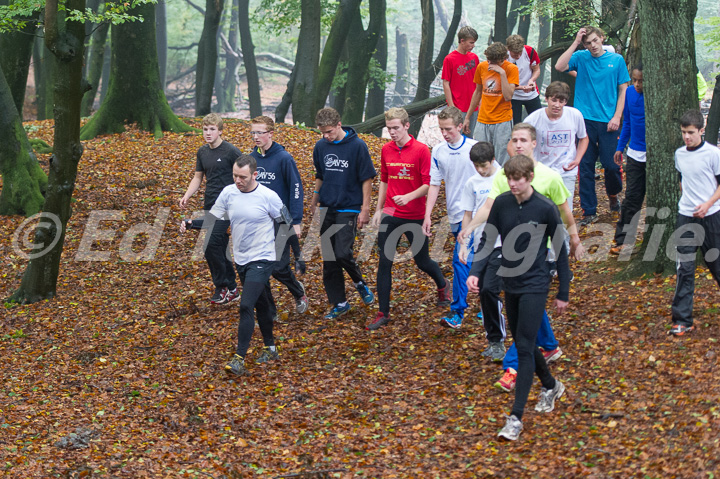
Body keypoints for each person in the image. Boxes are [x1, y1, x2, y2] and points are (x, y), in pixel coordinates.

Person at [459, 124, 584, 390]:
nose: (517, 144)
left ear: (534, 144)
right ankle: (549, 346)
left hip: (542, 254)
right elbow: (491, 207)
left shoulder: (550, 177)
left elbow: (565, 213)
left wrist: (575, 240)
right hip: (509, 252)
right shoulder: (504, 176)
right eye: (514, 139)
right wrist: (469, 227)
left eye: (523, 140)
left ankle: (512, 367)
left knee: (528, 307)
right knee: (528, 305)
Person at [475, 154, 569, 441]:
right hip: (510, 281)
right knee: (523, 342)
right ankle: (551, 385)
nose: (512, 183)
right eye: (509, 178)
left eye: (517, 179)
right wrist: (476, 271)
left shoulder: (545, 208)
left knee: (525, 347)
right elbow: (487, 239)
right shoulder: (502, 203)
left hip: (536, 283)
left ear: (529, 178)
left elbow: (561, 250)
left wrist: (563, 291)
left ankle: (515, 417)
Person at [366, 108, 450, 330]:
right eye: (389, 128)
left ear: (406, 126)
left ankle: (442, 284)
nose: (392, 132)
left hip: (415, 215)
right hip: (391, 214)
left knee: (422, 262)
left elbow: (428, 184)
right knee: (385, 263)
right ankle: (383, 312)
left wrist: (409, 196)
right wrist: (378, 209)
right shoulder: (386, 149)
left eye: (395, 128)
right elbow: (384, 180)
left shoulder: (422, 151)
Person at [211, 155, 291, 376]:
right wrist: (190, 224)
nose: (238, 180)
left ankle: (239, 358)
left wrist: (296, 254)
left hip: (263, 258)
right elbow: (214, 220)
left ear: (255, 175)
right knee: (262, 303)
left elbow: (286, 222)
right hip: (242, 259)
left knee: (246, 305)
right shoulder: (229, 192)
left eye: (243, 177)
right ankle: (271, 348)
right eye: (235, 175)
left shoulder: (268, 196)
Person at [555, 26, 630, 226]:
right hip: (584, 120)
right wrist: (575, 43)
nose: (593, 46)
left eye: (595, 41)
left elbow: (623, 90)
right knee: (586, 167)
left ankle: (613, 195)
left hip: (609, 122)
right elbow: (560, 67)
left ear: (602, 39)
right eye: (588, 43)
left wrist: (617, 116)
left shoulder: (617, 61)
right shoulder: (580, 57)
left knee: (611, 165)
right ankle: (589, 211)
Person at [311, 107, 377, 320]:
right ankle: (339, 302)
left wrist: (365, 208)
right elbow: (320, 175)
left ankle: (359, 282)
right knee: (329, 259)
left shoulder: (357, 146)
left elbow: (367, 178)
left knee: (342, 252)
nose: (326, 136)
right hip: (327, 206)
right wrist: (314, 200)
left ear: (339, 125)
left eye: (329, 131)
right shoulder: (321, 146)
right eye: (323, 132)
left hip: (349, 206)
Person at [423, 106, 478, 328]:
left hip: (476, 216)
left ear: (460, 126)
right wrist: (427, 215)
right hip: (455, 214)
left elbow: (494, 177)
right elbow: (434, 184)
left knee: (461, 262)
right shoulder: (438, 151)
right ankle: (489, 304)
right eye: (441, 129)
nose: (445, 134)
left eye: (448, 129)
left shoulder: (475, 149)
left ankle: (458, 312)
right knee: (472, 263)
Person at [249, 116, 309, 315]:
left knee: (278, 267)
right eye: (253, 133)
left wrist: (297, 220)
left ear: (271, 134)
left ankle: (298, 291)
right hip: (258, 222)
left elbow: (296, 189)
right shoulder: (252, 159)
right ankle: (269, 311)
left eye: (260, 132)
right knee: (258, 269)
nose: (256, 137)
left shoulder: (284, 158)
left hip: (280, 221)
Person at [179, 113, 241, 304]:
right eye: (205, 129)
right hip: (211, 205)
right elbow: (198, 177)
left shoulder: (231, 151)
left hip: (228, 206)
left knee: (210, 246)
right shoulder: (202, 152)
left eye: (212, 129)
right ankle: (231, 289)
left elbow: (244, 174)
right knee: (220, 249)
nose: (208, 133)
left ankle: (223, 286)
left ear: (220, 131)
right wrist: (187, 195)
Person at [670, 110, 720, 336]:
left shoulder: (713, 154)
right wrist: (689, 202)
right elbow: (683, 180)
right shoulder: (679, 154)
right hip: (686, 217)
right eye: (683, 132)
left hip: (711, 217)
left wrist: (707, 204)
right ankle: (682, 319)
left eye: (691, 132)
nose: (686, 137)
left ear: (701, 131)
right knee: (685, 267)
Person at [459, 142, 504, 359]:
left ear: (493, 159)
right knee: (483, 292)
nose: (480, 170)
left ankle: (498, 341)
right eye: (476, 166)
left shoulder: (505, 177)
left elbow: (490, 209)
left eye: (483, 165)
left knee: (489, 290)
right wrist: (463, 244)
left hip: (503, 243)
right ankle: (493, 339)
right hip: (481, 244)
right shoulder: (472, 182)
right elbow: (468, 213)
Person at [523, 81, 588, 206]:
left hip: (566, 171)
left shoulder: (575, 115)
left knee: (564, 212)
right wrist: (526, 164)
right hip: (541, 171)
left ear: (566, 102)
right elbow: (515, 141)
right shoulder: (534, 118)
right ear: (546, 99)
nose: (557, 105)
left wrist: (577, 159)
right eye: (554, 100)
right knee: (541, 211)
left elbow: (584, 138)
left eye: (561, 101)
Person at [462, 42, 519, 166]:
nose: (490, 64)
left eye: (494, 61)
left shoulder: (511, 69)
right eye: (489, 60)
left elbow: (508, 96)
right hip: (483, 119)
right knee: (479, 156)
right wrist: (467, 117)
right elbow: (477, 92)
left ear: (503, 59)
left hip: (503, 120)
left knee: (501, 160)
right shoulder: (482, 67)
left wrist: (502, 73)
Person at [611, 66, 646, 255]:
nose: (638, 84)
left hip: (655, 155)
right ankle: (623, 240)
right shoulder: (630, 93)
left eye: (641, 80)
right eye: (635, 80)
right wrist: (620, 147)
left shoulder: (656, 94)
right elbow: (628, 123)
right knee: (632, 198)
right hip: (635, 154)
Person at [443, 26, 481, 136]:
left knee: (471, 136)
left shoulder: (474, 58)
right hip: (458, 105)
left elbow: (479, 82)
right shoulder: (449, 59)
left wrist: (480, 100)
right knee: (457, 136)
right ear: (462, 41)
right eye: (471, 42)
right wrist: (451, 105)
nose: (473, 46)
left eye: (474, 43)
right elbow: (446, 83)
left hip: (474, 106)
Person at [506, 35, 541, 125]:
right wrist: (521, 87)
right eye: (515, 54)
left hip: (531, 94)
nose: (518, 56)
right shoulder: (504, 56)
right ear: (509, 50)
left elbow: (536, 69)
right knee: (515, 124)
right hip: (513, 96)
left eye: (520, 53)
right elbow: (504, 82)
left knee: (538, 122)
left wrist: (531, 80)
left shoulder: (530, 51)